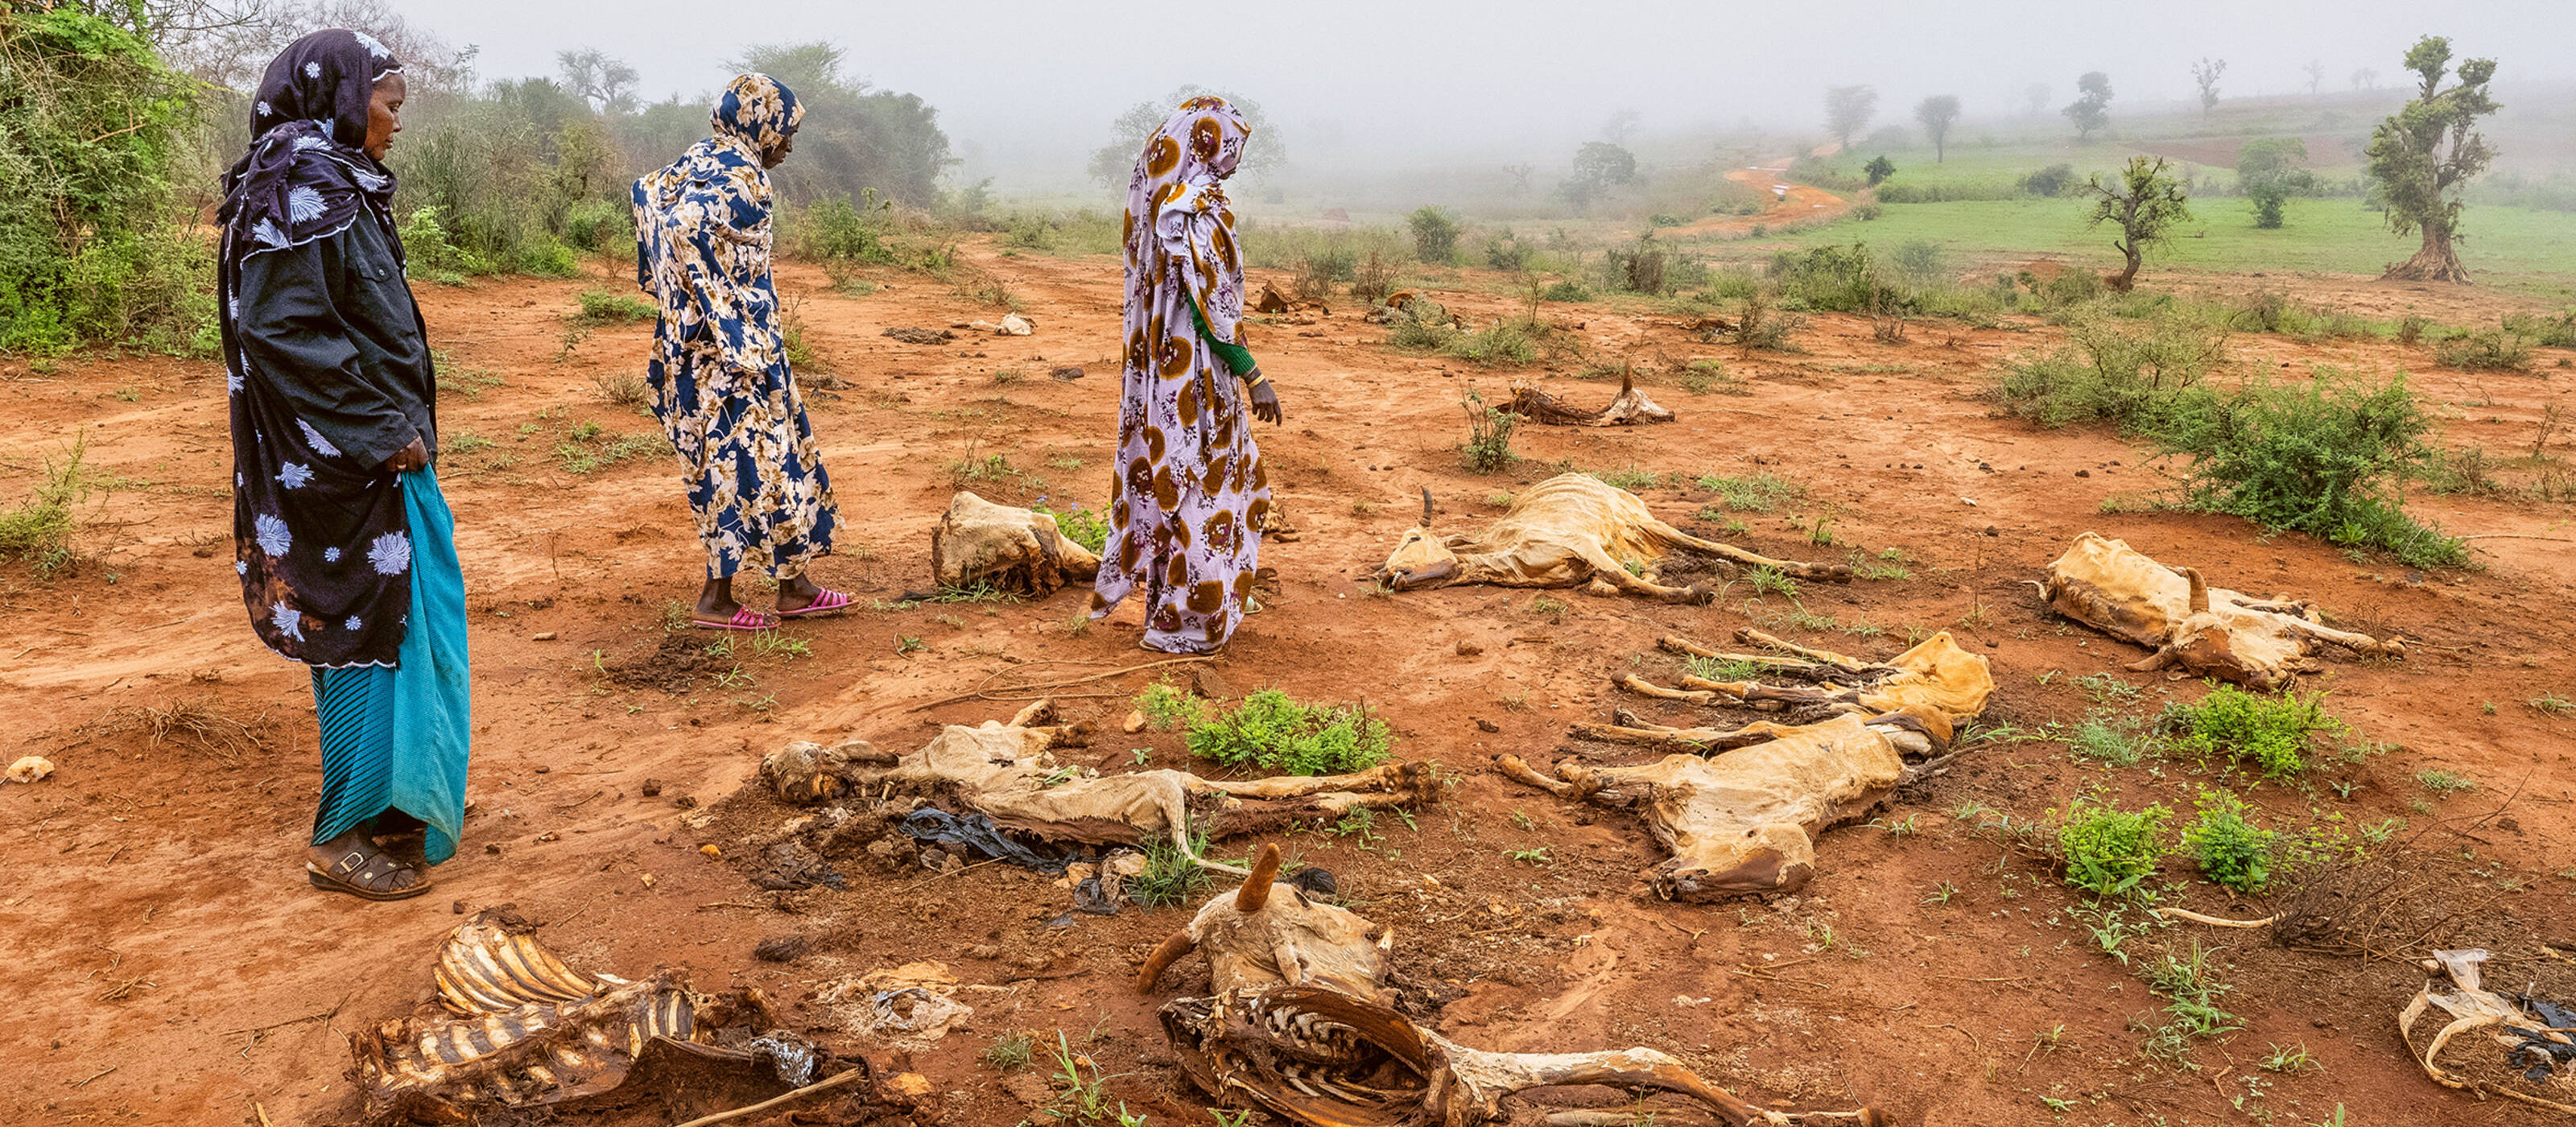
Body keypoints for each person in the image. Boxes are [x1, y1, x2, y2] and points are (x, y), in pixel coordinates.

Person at [220, 29, 469, 901]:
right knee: (363, 627)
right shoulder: (304, 178)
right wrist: (375, 427)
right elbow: (281, 324)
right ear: (342, 91)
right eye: (389, 102)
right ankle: (342, 833)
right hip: (339, 463)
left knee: (390, 621)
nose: (395, 122)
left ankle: (390, 805)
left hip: (350, 456)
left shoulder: (310, 174)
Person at [632, 73, 846, 630]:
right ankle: (717, 600)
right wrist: (727, 317)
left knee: (767, 460)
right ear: (761, 124)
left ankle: (793, 586)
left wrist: (683, 301)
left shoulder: (694, 162)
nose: (789, 146)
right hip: (731, 359)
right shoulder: (743, 176)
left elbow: (647, 196)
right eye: (785, 133)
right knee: (738, 467)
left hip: (696, 350)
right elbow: (688, 226)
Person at [1091, 97, 1284, 654]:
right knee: (1208, 481)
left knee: (1175, 476)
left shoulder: (1160, 202)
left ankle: (1170, 614)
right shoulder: (1198, 207)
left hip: (1160, 372)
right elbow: (1212, 307)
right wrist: (1253, 375)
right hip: (1197, 373)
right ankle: (1190, 620)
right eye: (1231, 145)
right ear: (1206, 144)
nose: (1237, 158)